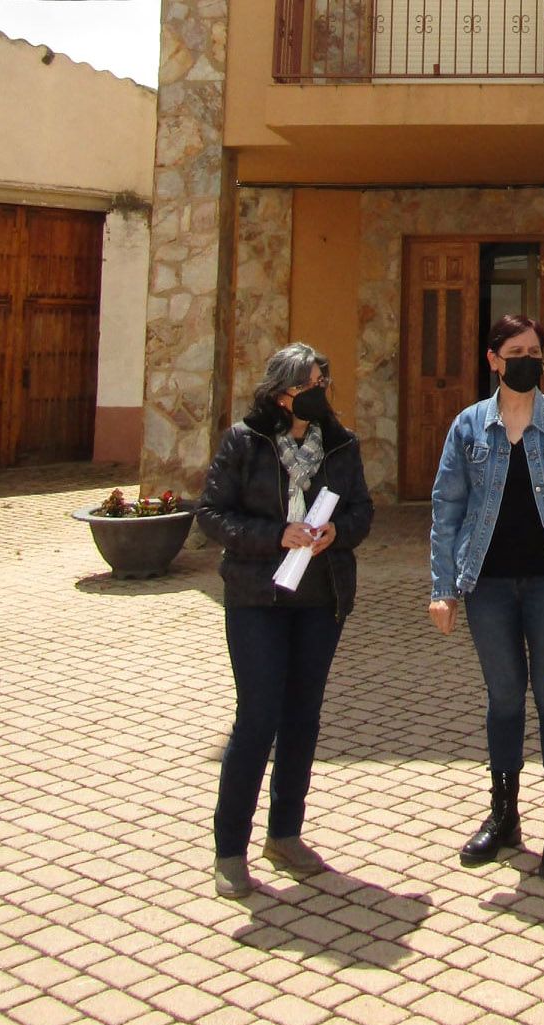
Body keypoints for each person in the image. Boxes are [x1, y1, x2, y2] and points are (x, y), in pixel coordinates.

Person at [429, 314, 544, 881]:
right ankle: (504, 815)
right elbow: (447, 510)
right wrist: (443, 590)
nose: (528, 358)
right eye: (516, 350)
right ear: (493, 359)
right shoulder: (467, 428)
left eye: (535, 349)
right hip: (485, 585)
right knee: (504, 698)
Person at [198, 342, 374, 899]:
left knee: (303, 718)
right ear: (282, 394)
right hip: (258, 600)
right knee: (258, 719)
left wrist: (335, 534)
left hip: (319, 599)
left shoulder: (341, 445)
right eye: (311, 384)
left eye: (326, 380)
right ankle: (230, 850)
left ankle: (286, 835)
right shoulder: (244, 442)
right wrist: (274, 536)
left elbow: (362, 511)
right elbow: (211, 514)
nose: (322, 391)